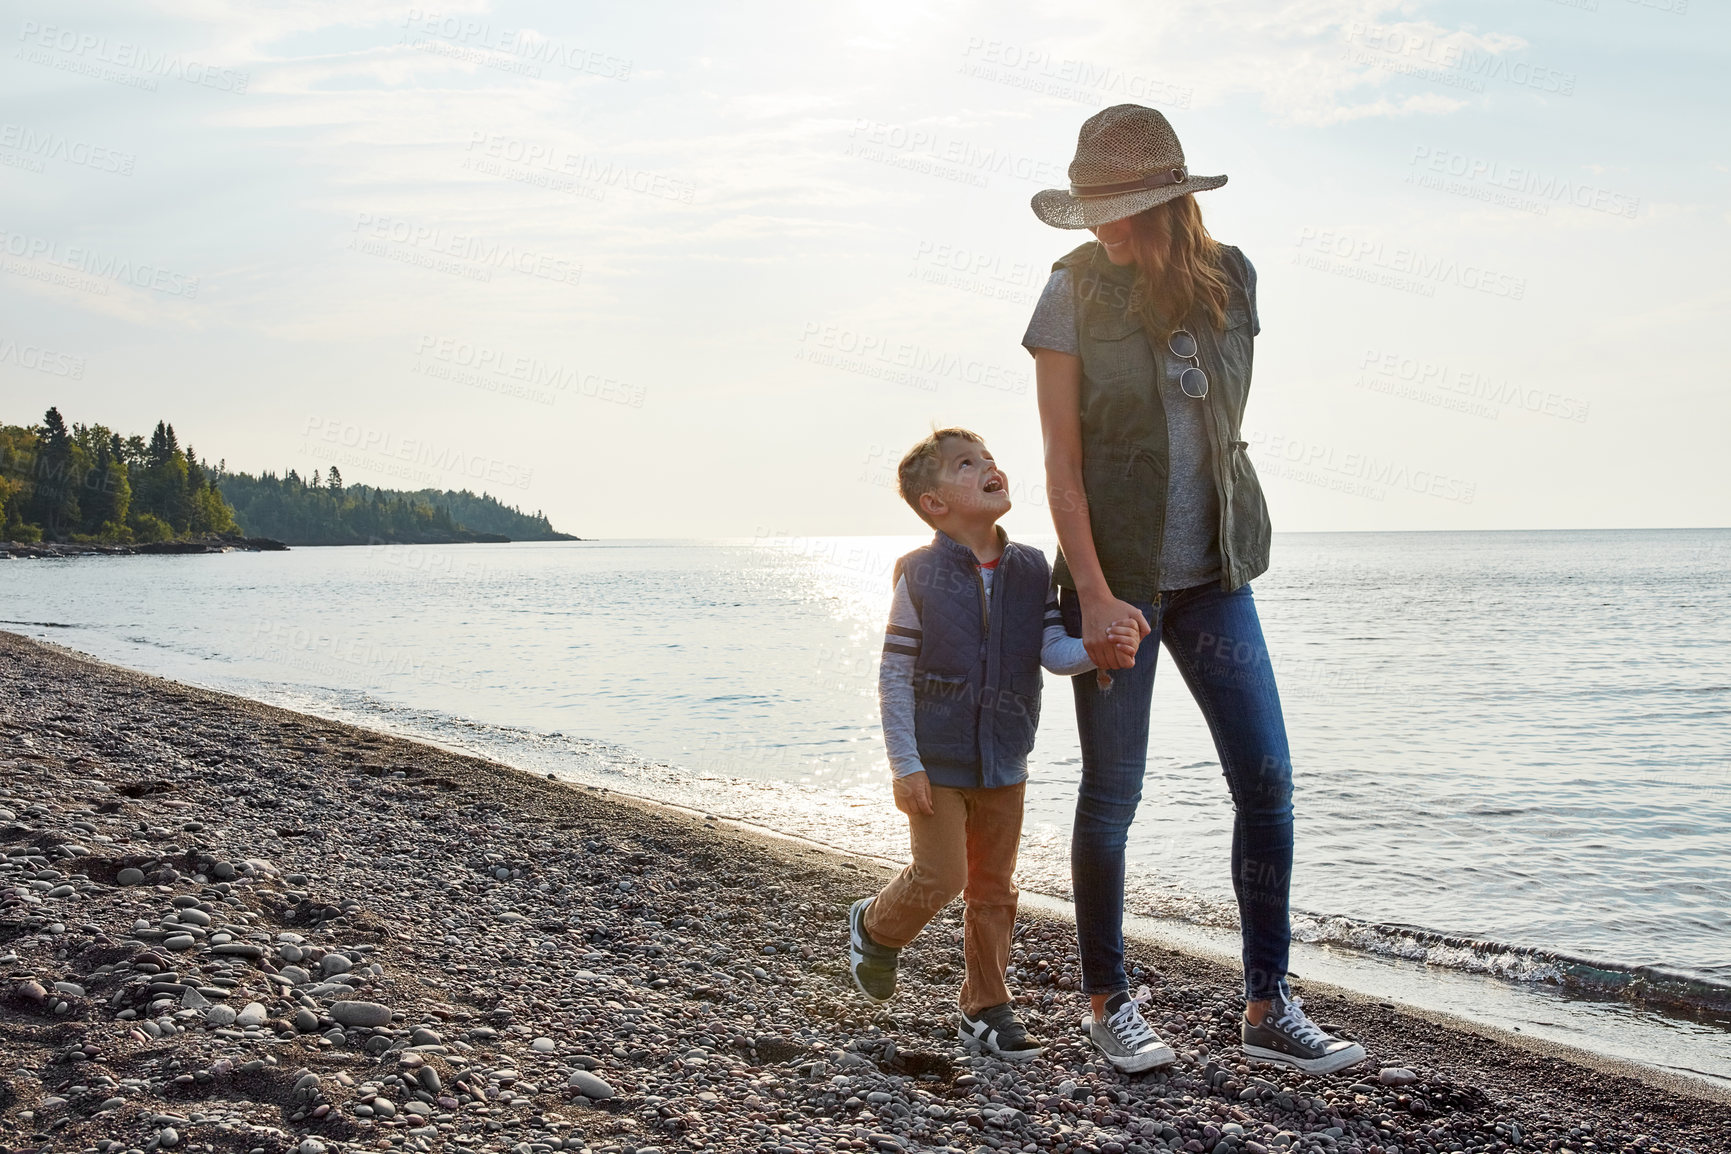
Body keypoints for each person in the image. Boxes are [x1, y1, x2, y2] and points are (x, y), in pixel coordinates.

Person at [1024, 104, 1368, 1075]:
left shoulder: (1233, 281)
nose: (1106, 227)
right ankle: (1106, 1000)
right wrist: (1091, 595)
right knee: (1113, 794)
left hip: (1218, 572)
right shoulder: (1070, 290)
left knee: (1266, 780)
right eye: (1095, 207)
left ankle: (1267, 1004)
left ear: (1172, 203)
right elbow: (1061, 464)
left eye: (1125, 206)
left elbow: (1220, 430)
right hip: (1115, 583)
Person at [845, 427, 1142, 1061]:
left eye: (989, 459)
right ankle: (875, 927)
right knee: (942, 874)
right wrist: (904, 764)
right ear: (934, 503)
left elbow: (1052, 651)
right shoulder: (919, 574)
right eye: (966, 464)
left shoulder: (1033, 567)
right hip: (937, 761)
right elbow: (894, 674)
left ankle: (985, 1009)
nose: (989, 467)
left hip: (1006, 758)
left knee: (994, 887)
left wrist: (1097, 649)